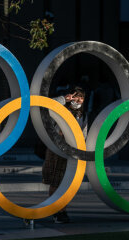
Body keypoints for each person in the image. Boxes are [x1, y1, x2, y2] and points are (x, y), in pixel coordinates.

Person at [42, 86, 88, 223]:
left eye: (81, 97)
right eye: (76, 96)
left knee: (66, 183)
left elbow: (84, 133)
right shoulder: (61, 109)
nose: (78, 99)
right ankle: (56, 211)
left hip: (72, 151)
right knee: (56, 181)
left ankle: (62, 210)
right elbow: (46, 106)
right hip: (57, 148)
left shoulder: (83, 114)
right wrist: (64, 99)